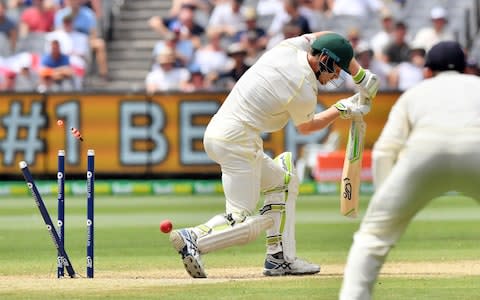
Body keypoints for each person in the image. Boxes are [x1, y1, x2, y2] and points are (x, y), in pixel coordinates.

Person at [168, 31, 379, 278]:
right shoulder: (302, 85)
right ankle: (193, 237)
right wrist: (342, 108)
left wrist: (360, 75)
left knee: (283, 182)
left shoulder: (289, 47)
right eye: (336, 69)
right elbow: (307, 127)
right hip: (236, 141)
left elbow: (331, 37)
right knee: (242, 220)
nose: (335, 75)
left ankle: (280, 258)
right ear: (324, 59)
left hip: (228, 134)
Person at [339, 41, 480, 299]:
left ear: (426, 71)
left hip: (424, 152)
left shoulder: (415, 93)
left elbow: (384, 151)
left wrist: (383, 204)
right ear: (467, 70)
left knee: (371, 238)